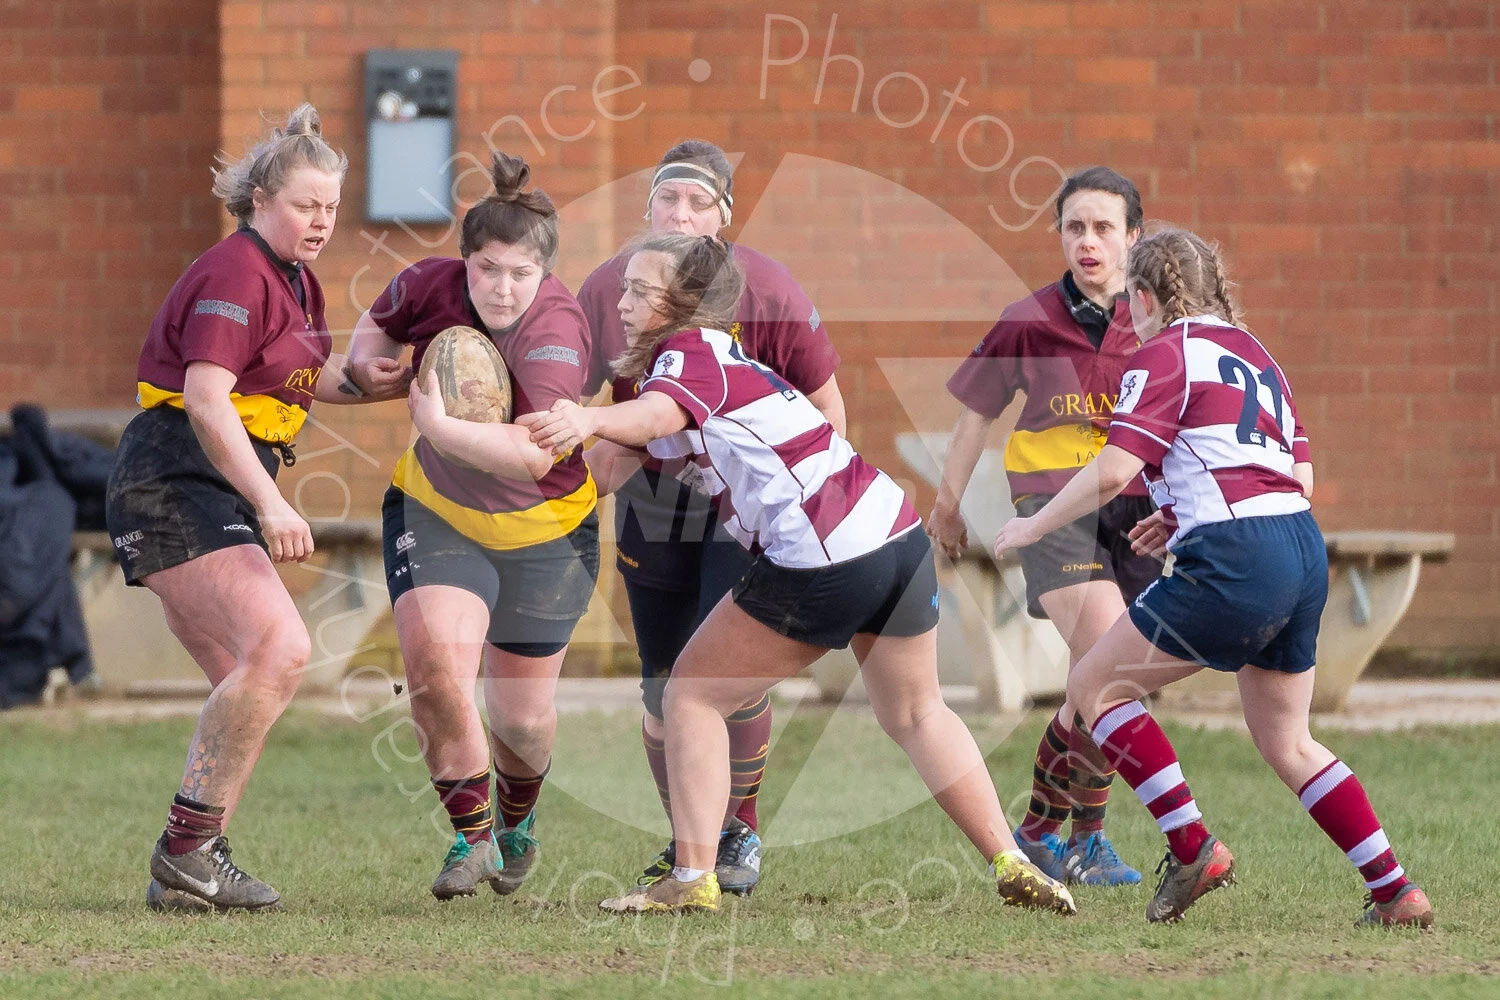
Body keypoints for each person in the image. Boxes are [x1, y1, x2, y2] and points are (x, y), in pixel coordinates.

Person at [515, 232, 1077, 916]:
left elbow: (653, 415)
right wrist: (514, 467)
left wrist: (585, 415)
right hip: (894, 533)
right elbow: (615, 462)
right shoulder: (721, 362)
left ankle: (692, 878)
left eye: (639, 289)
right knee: (917, 712)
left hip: (830, 549)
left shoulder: (689, 355)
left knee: (689, 695)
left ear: (684, 304)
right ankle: (1011, 860)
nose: (620, 301)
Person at [994, 228, 1434, 928]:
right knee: (1288, 740)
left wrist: (1034, 524)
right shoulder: (1259, 355)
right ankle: (1395, 891)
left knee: (1095, 685)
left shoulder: (1165, 351)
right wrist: (1184, 515)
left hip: (1237, 557)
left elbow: (1113, 470)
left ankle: (1192, 845)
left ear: (1144, 296)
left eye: (1129, 304)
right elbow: (1297, 478)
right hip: (1298, 546)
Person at [106, 104, 411, 912]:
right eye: (306, 205)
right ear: (260, 201)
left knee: (249, 690)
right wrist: (272, 502)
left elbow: (287, 381)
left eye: (332, 207)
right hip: (174, 476)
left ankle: (187, 873)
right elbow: (207, 399)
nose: (322, 221)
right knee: (279, 649)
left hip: (203, 479)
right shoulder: (240, 268)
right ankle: (186, 852)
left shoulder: (296, 281)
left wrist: (368, 383)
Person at [574, 139, 844, 895]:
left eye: (699, 202)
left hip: (746, 503)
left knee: (730, 674)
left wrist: (820, 510)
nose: (682, 214)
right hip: (653, 497)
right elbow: (566, 386)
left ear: (725, 216)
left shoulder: (767, 287)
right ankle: (688, 841)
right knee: (662, 685)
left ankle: (741, 835)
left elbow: (827, 404)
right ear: (648, 209)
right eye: (669, 199)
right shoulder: (611, 286)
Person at [346, 152, 599, 901]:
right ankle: (472, 837)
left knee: (521, 719)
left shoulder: (559, 328)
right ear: (465, 262)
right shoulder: (428, 283)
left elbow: (528, 455)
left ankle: (516, 823)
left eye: (520, 273)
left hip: (546, 528)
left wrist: (433, 422)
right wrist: (367, 366)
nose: (502, 287)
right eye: (488, 269)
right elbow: (374, 326)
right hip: (436, 510)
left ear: (544, 274)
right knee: (433, 671)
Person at [928, 166, 1157, 886]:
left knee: (1110, 678)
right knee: (1105, 653)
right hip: (1052, 509)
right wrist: (947, 502)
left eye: (1103, 228)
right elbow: (975, 418)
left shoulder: (1158, 321)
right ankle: (1086, 841)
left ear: (1134, 237)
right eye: (1073, 227)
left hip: (1141, 512)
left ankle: (1036, 829)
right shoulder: (1027, 319)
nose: (1087, 241)